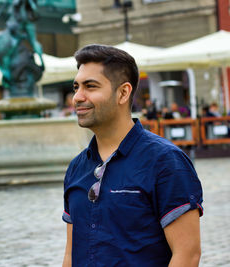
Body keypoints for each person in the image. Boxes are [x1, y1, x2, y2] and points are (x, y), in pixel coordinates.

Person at [62, 44, 203, 267]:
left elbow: (187, 254)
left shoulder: (165, 161)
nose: (77, 97)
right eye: (76, 86)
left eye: (90, 86)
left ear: (123, 93)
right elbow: (71, 254)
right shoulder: (76, 167)